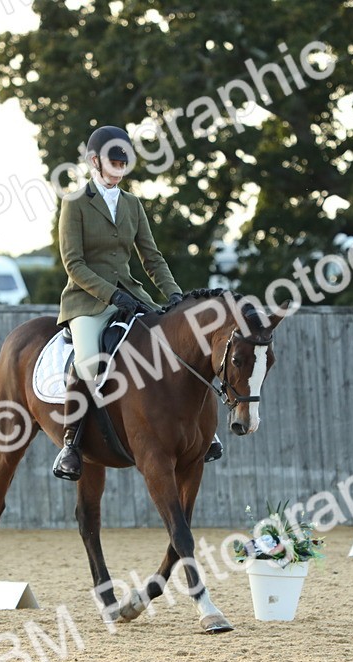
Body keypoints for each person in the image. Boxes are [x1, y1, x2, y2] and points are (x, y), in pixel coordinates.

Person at [52, 125, 222, 480]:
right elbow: (74, 263)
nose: (118, 169)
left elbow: (152, 257)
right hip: (87, 300)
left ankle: (203, 434)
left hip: (132, 294)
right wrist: (111, 295)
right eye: (112, 163)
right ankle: (71, 443)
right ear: (94, 161)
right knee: (87, 361)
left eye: (123, 163)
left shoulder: (132, 204)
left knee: (173, 346)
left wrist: (173, 295)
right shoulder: (75, 203)